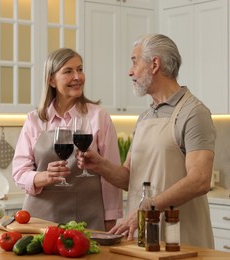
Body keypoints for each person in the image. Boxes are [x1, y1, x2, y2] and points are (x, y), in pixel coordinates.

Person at [76, 34, 216, 248]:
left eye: (134, 61)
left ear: (155, 64)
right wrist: (100, 165)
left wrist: (148, 206)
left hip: (180, 237)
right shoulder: (145, 117)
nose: (129, 71)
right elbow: (130, 178)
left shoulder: (194, 113)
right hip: (142, 234)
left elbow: (200, 179)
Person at [12, 48, 123, 231]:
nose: (77, 76)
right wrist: (44, 176)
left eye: (80, 69)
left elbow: (110, 173)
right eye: (68, 71)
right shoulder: (35, 120)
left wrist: (110, 217)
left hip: (87, 217)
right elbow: (19, 173)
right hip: (41, 219)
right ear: (51, 80)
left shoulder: (98, 116)